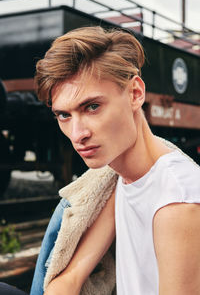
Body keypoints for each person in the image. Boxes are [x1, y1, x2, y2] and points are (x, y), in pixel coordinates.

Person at [1, 26, 200, 295]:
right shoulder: (119, 179)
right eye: (64, 115)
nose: (77, 134)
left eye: (92, 107)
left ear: (135, 94)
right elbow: (69, 281)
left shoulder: (176, 202)